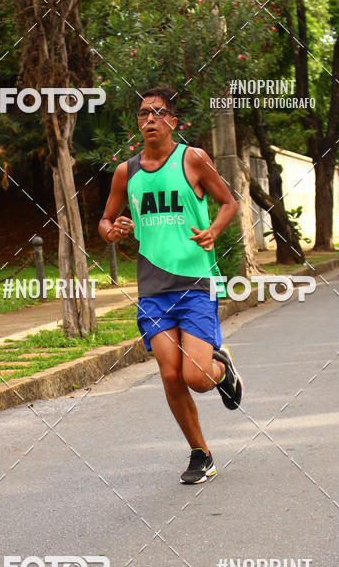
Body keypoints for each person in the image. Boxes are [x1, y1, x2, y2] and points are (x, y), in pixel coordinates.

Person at [99, 87, 242, 485]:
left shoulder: (192, 159)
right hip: (153, 289)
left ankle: (222, 369)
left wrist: (213, 230)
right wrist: (114, 231)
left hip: (197, 282)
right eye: (143, 113)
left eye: (158, 113)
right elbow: (105, 221)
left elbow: (228, 202)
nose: (149, 119)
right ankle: (201, 453)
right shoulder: (126, 173)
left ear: (172, 122)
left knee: (197, 377)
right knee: (170, 375)